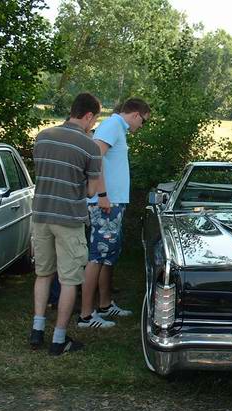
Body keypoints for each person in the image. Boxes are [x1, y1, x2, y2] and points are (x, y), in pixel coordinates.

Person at [29, 93, 102, 354]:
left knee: (43, 273)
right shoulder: (89, 145)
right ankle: (59, 339)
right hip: (69, 218)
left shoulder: (43, 136)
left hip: (41, 214)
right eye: (94, 120)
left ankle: (37, 330)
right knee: (70, 279)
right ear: (88, 116)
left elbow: (43, 173)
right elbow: (92, 191)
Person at [78, 97, 151, 327]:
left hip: (113, 203)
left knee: (108, 255)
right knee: (97, 256)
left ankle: (105, 304)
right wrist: (102, 195)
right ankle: (86, 315)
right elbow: (95, 156)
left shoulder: (118, 128)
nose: (142, 126)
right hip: (105, 203)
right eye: (144, 121)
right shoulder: (112, 125)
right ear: (136, 115)